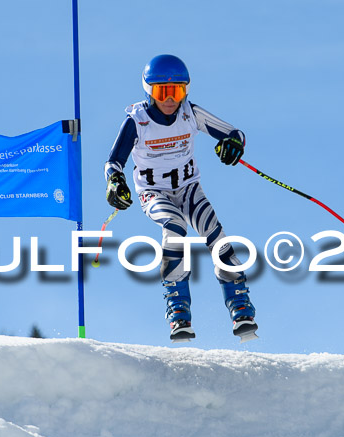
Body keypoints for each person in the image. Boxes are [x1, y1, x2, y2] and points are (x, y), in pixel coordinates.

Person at [103, 54, 257, 342]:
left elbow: (234, 133)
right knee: (174, 226)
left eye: (178, 91)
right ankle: (178, 312)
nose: (171, 100)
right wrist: (115, 182)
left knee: (216, 234)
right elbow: (113, 162)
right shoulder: (138, 121)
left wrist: (233, 144)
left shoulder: (190, 113)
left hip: (188, 190)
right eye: (163, 92)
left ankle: (241, 308)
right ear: (149, 90)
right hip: (154, 192)